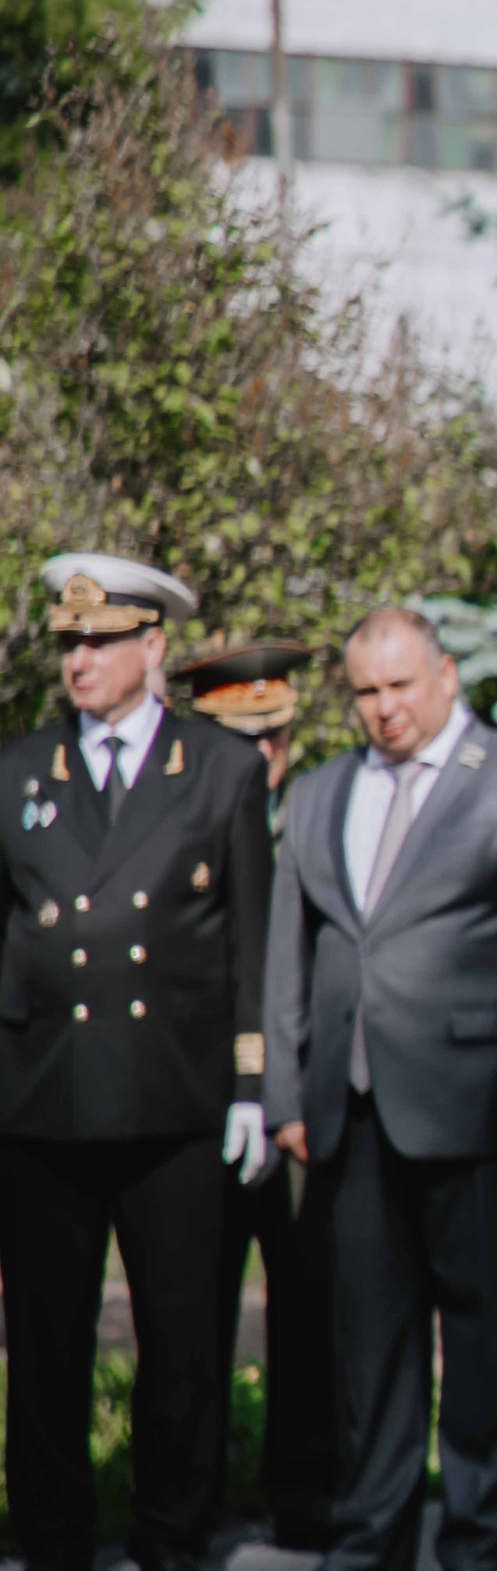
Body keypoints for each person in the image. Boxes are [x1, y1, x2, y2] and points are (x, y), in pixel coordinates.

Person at [262, 608, 497, 1571]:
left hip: (482, 1109)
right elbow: (293, 953)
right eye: (366, 692)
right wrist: (288, 1094)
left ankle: (480, 1541)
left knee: (483, 1341)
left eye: (402, 686)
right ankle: (373, 1538)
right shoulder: (323, 793)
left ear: (446, 676)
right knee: (369, 1345)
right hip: (351, 1112)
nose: (385, 710)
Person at [0, 555, 275, 1571]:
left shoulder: (220, 769)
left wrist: (252, 1083)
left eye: (100, 640)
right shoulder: (19, 771)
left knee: (182, 1338)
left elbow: (252, 942)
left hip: (176, 1098)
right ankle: (53, 1533)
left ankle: (173, 1528)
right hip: (44, 1097)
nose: (78, 659)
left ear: (152, 647)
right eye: (67, 641)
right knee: (46, 1339)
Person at [174, 637, 340, 1547]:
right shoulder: (181, 816)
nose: (259, 760)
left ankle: (306, 1488)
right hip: (206, 1103)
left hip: (306, 1104)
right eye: (240, 740)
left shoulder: (317, 820)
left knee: (312, 1300)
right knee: (192, 1306)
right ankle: (190, 1498)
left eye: (273, 737)